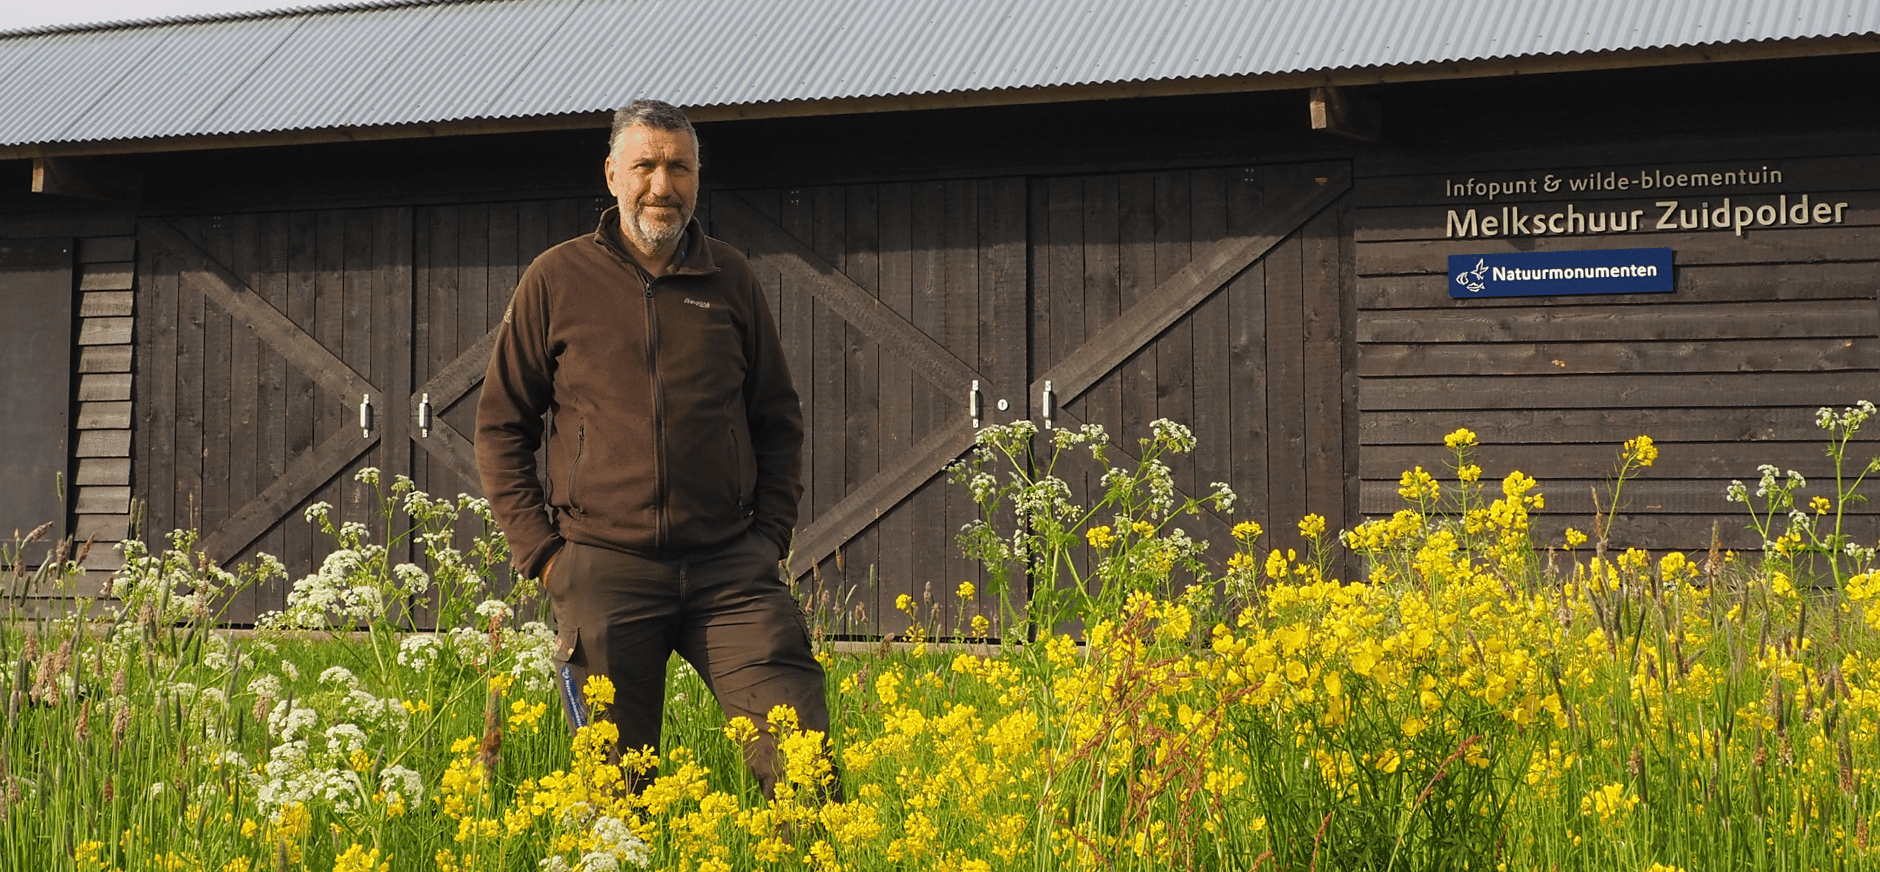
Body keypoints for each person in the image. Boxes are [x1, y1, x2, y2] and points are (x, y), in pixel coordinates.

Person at [474, 99, 834, 799]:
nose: (662, 185)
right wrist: (545, 558)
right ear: (612, 175)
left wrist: (768, 539)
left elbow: (777, 420)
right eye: (645, 166)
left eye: (679, 167)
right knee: (616, 799)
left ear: (698, 178)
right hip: (602, 570)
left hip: (732, 572)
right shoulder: (557, 278)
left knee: (803, 771)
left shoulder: (732, 279)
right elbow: (501, 425)